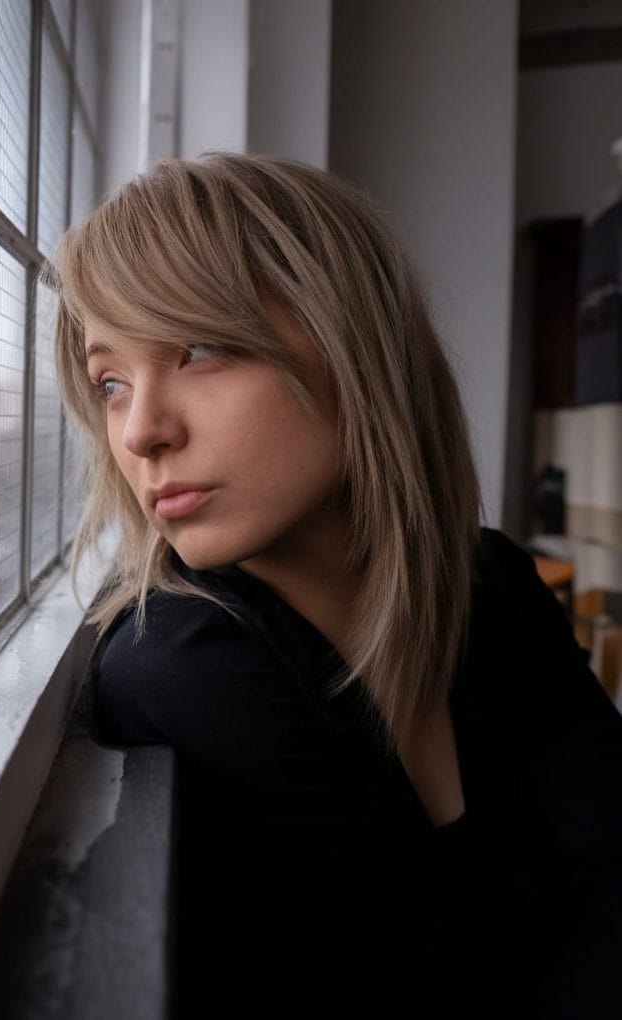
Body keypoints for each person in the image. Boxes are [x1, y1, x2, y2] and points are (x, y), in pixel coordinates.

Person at [46, 154, 622, 1018]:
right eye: (110, 382)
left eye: (198, 350)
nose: (140, 431)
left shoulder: (491, 582)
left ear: (354, 341)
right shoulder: (182, 664)